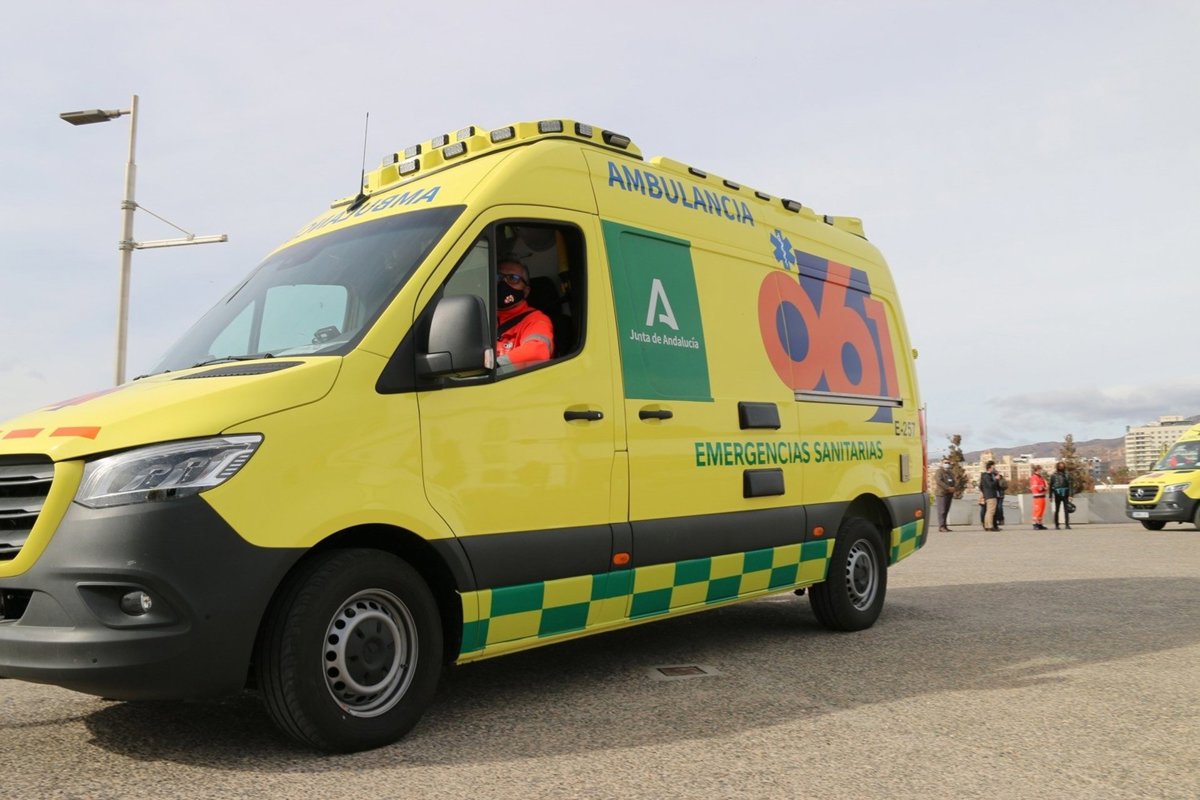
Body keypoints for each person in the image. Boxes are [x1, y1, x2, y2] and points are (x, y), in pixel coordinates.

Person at [495, 260, 554, 369]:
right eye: (497, 276)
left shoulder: (536, 319)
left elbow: (538, 351)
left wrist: (495, 366)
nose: (503, 283)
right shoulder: (482, 317)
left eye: (513, 278)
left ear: (526, 291)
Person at [933, 458, 956, 532]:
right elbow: (939, 481)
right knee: (942, 510)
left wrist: (953, 487)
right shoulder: (939, 471)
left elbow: (953, 481)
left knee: (946, 510)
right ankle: (941, 526)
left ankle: (945, 526)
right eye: (945, 462)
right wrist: (947, 488)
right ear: (942, 463)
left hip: (949, 493)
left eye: (948, 463)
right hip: (941, 493)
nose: (947, 464)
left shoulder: (950, 472)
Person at [1049, 461, 1072, 529]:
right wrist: (1050, 496)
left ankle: (1067, 524)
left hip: (1065, 493)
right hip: (1057, 494)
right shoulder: (1054, 475)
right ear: (1058, 467)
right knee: (1057, 510)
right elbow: (1051, 486)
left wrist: (1070, 495)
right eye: (1060, 466)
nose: (1061, 467)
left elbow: (1070, 485)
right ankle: (1057, 525)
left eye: (1062, 466)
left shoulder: (1067, 474)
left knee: (1066, 510)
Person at [979, 461, 1000, 531]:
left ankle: (987, 525)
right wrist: (996, 479)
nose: (994, 469)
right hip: (991, 495)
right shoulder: (987, 476)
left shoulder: (985, 476)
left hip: (988, 495)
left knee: (988, 511)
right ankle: (990, 526)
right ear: (989, 468)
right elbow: (990, 485)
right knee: (991, 511)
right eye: (993, 468)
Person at [1028, 464, 1049, 530]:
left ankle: (1039, 523)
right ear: (1036, 470)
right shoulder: (1034, 477)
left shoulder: (1040, 477)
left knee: (1041, 510)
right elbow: (1036, 487)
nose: (1040, 471)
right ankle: (1035, 524)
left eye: (1040, 470)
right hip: (1037, 496)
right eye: (1039, 470)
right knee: (1037, 510)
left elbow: (1044, 485)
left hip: (1042, 495)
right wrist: (1044, 488)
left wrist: (1045, 487)